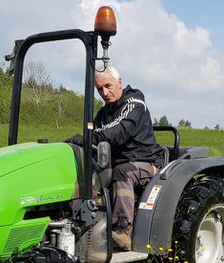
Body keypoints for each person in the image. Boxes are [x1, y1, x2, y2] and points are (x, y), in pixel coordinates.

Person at [67, 67, 165, 251]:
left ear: (119, 82)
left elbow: (116, 132)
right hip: (117, 163)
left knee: (122, 172)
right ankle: (82, 224)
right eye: (99, 89)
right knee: (87, 172)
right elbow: (94, 132)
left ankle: (123, 231)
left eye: (108, 86)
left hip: (146, 163)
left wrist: (89, 138)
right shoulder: (104, 113)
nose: (104, 92)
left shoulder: (135, 104)